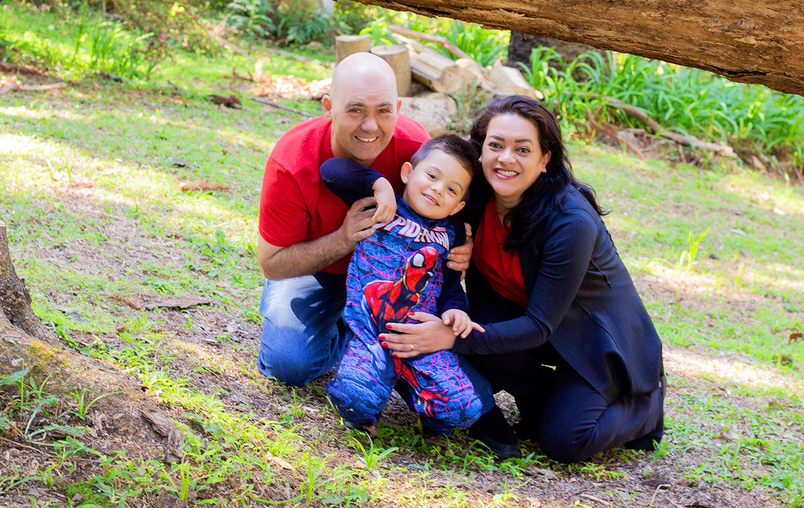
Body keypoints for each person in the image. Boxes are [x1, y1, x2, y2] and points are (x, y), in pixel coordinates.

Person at [379, 96, 666, 464]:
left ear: (545, 159)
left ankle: (646, 406)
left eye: (522, 149)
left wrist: (450, 336)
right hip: (524, 320)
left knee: (566, 442)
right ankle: (545, 401)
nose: (506, 159)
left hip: (595, 341)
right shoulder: (474, 195)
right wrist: (382, 189)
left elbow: (539, 326)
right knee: (484, 328)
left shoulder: (570, 221)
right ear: (480, 150)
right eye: (495, 146)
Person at [255, 52, 471, 386]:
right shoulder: (292, 161)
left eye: (383, 111)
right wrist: (343, 238)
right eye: (355, 109)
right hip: (319, 272)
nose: (370, 126)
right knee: (288, 363)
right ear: (328, 107)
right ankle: (348, 336)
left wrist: (465, 241)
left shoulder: (419, 150)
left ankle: (370, 342)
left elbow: (460, 200)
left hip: (395, 278)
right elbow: (272, 263)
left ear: (399, 108)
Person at [319, 135, 488, 434]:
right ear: (408, 172)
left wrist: (456, 311)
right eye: (432, 176)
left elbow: (450, 287)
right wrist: (379, 184)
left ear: (457, 205)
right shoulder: (384, 207)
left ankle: (418, 397)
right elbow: (331, 171)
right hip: (369, 329)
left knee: (464, 409)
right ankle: (367, 403)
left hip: (420, 337)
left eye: (451, 189)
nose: (438, 188)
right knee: (355, 398)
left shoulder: (452, 234)